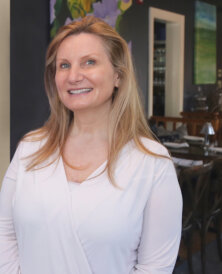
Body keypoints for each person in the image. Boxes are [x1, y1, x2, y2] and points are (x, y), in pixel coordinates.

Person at [0, 16, 182, 274]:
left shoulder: (152, 163)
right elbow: (4, 233)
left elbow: (154, 268)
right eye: (64, 65)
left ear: (118, 75)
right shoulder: (30, 149)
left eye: (89, 62)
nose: (73, 76)